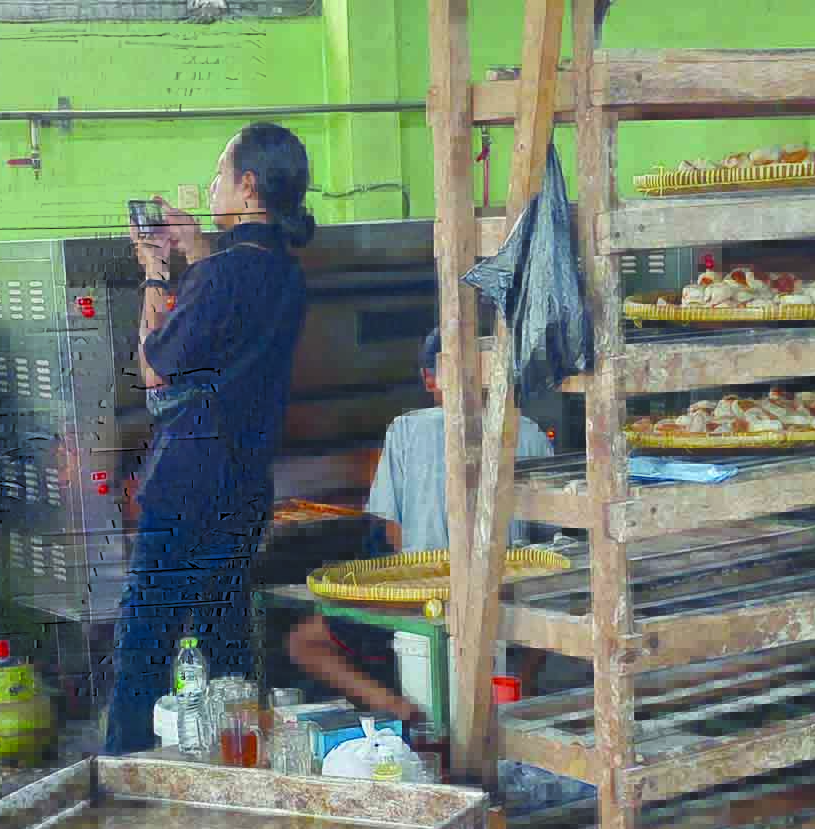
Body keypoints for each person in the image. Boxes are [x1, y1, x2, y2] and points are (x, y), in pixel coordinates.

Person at [102, 123, 314, 755]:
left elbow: (155, 366)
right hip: (246, 484)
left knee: (147, 632)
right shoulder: (284, 273)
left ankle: (125, 762)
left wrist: (154, 272)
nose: (215, 185)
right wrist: (196, 249)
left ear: (248, 186)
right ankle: (238, 755)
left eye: (222, 175)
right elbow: (223, 320)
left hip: (189, 476)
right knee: (225, 629)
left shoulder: (219, 277)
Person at [285, 328, 556, 720]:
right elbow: (547, 541)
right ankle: (522, 684)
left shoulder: (406, 429)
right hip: (504, 597)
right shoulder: (529, 433)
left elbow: (392, 531)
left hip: (424, 600)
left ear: (430, 379)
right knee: (548, 603)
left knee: (302, 642)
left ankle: (397, 707)